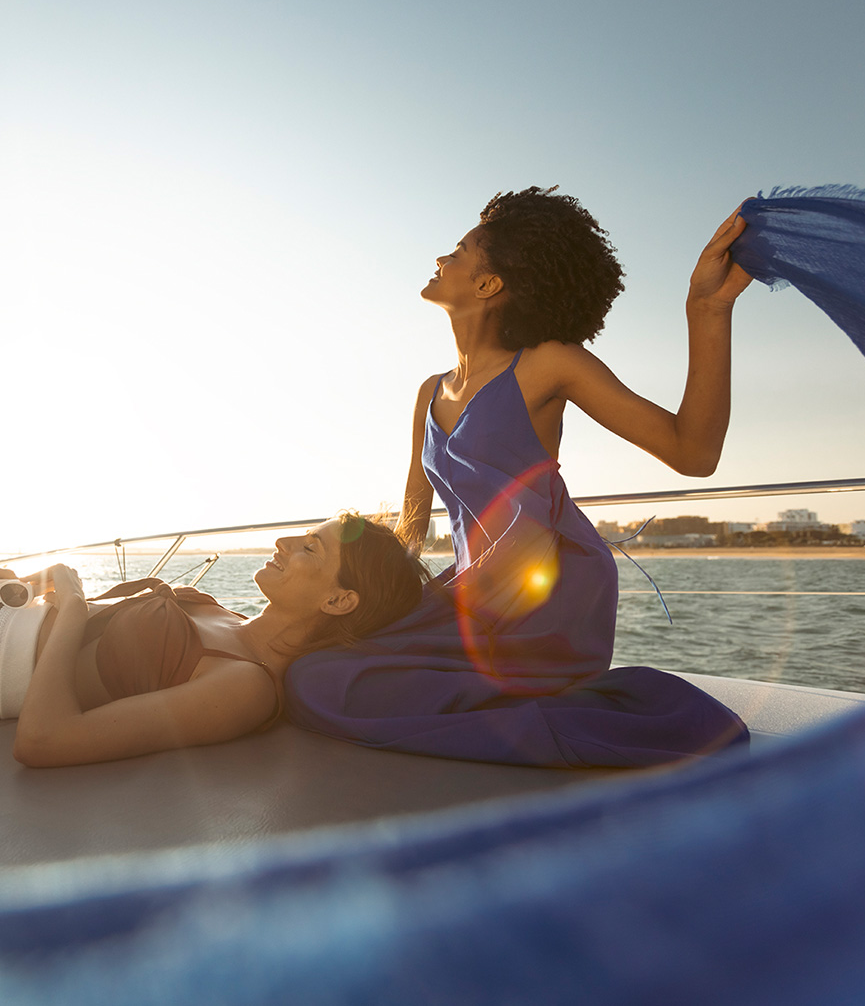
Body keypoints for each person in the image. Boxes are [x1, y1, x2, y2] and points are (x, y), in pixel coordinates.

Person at [284, 188, 752, 768]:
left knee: (317, 682)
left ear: (488, 285)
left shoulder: (549, 363)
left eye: (458, 251)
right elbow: (416, 506)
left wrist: (707, 308)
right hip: (471, 589)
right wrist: (388, 603)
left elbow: (693, 452)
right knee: (318, 660)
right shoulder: (430, 391)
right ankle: (497, 700)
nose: (441, 259)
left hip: (547, 593)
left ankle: (567, 711)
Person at [2, 513, 426, 767]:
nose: (283, 541)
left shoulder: (246, 686)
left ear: (338, 600)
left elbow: (43, 740)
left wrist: (74, 607)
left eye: (310, 548)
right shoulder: (226, 614)